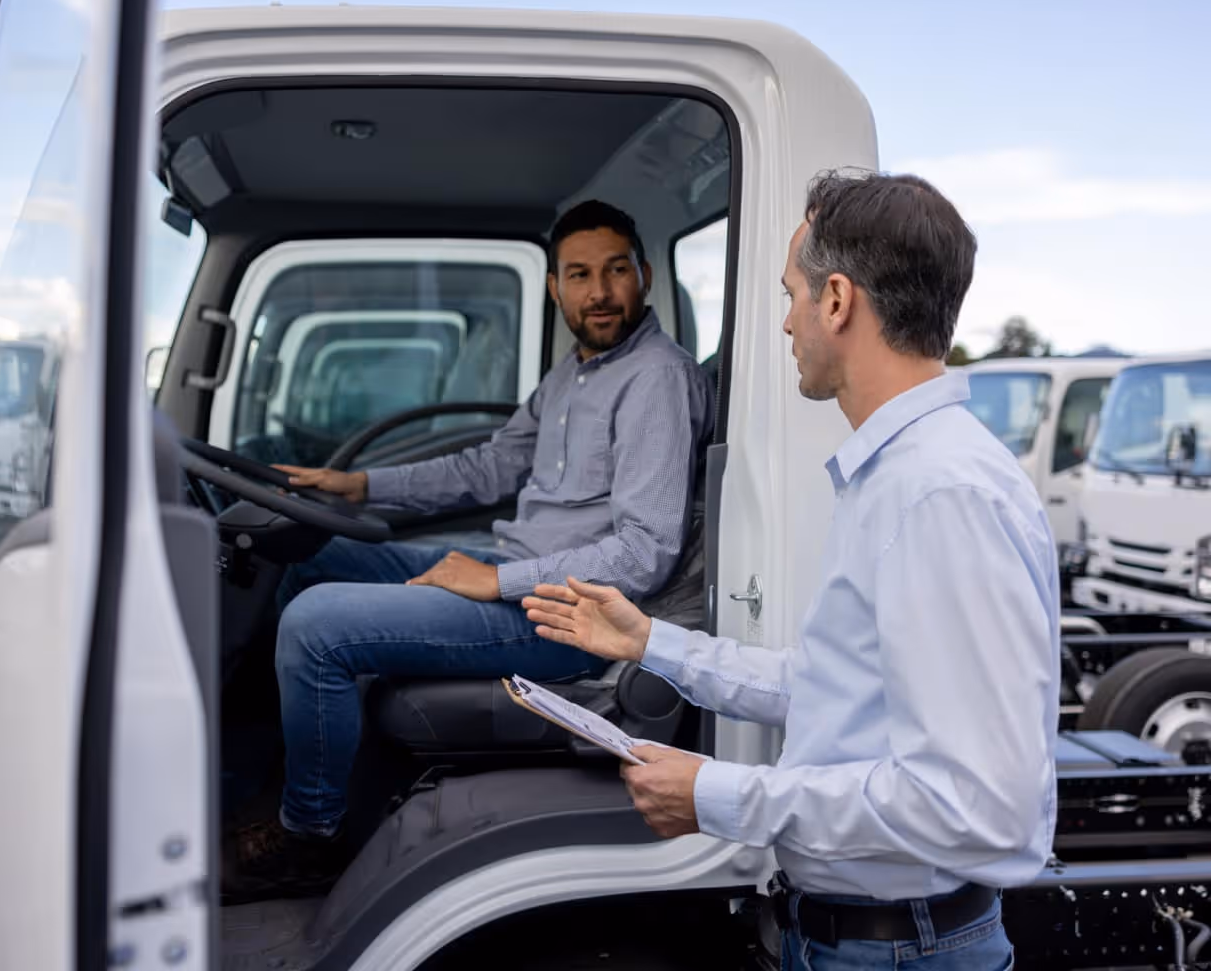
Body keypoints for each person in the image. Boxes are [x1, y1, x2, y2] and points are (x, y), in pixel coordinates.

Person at [524, 171, 1059, 968]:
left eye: (792, 295)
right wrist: (651, 643)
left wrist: (718, 795)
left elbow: (978, 805)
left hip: (903, 949)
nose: (785, 322)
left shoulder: (938, 493)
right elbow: (834, 690)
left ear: (837, 300)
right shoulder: (903, 476)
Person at [224, 199, 714, 899]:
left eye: (615, 271)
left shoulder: (656, 379)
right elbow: (486, 469)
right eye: (579, 274)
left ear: (644, 276)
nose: (599, 292)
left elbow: (645, 552)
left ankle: (310, 835)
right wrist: (359, 484)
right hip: (516, 576)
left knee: (315, 625)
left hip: (566, 619)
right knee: (302, 556)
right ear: (555, 288)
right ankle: (255, 775)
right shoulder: (576, 374)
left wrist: (500, 580)